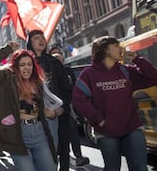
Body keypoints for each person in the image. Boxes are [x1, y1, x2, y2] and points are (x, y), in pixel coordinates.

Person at [73, 36, 157, 171]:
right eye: (116, 46)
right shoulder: (89, 74)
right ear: (105, 50)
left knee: (140, 168)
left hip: (132, 128)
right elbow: (79, 99)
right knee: (112, 168)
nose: (121, 48)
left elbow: (153, 77)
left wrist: (137, 59)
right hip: (106, 132)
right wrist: (98, 120)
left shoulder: (125, 71)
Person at [0, 41, 57, 171]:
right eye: (22, 65)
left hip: (40, 132)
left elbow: (46, 106)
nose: (27, 68)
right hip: (17, 134)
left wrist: (51, 113)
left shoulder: (38, 82)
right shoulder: (6, 79)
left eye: (29, 64)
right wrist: (7, 49)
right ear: (15, 67)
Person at [26, 30, 72, 171]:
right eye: (36, 38)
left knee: (64, 148)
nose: (40, 40)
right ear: (30, 42)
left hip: (59, 112)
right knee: (46, 153)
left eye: (42, 37)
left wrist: (61, 107)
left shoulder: (54, 63)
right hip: (37, 117)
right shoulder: (26, 64)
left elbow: (66, 88)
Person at [49, 47, 90, 167]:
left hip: (68, 106)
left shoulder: (68, 71)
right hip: (54, 108)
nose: (60, 63)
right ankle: (58, 155)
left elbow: (74, 86)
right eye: (58, 61)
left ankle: (78, 156)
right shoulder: (50, 73)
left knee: (73, 131)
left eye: (62, 60)